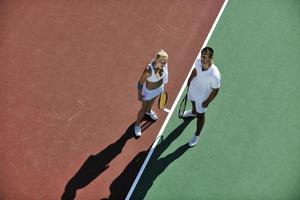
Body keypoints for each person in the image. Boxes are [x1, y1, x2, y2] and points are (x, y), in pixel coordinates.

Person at [183, 47, 221, 147]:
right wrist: (190, 79)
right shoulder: (198, 61)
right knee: (193, 102)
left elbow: (216, 90)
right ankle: (193, 112)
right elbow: (195, 70)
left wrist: (207, 102)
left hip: (203, 97)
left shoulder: (215, 74)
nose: (201, 58)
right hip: (194, 89)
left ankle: (197, 135)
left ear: (210, 57)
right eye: (201, 55)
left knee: (201, 116)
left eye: (204, 56)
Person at [134, 50, 169, 137]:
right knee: (143, 109)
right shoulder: (148, 69)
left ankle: (149, 112)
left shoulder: (164, 65)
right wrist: (139, 94)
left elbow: (164, 77)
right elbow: (140, 82)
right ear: (157, 60)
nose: (164, 64)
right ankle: (137, 124)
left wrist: (162, 87)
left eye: (165, 62)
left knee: (152, 101)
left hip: (159, 89)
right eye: (163, 62)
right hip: (148, 92)